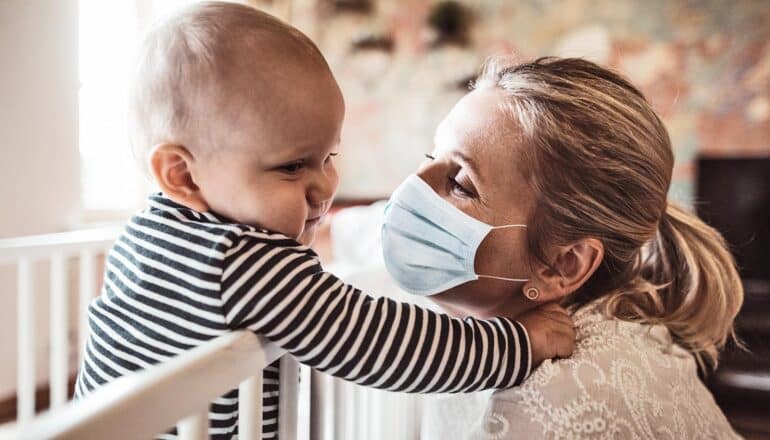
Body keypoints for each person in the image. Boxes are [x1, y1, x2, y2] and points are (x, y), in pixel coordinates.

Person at [73, 4, 576, 439]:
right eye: (292, 166)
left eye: (328, 156)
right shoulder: (241, 259)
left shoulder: (144, 237)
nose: (324, 187)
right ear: (182, 174)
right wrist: (519, 343)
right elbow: (381, 343)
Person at [377, 56, 744, 438]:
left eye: (461, 183)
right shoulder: (613, 323)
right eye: (430, 157)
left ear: (563, 265)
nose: (412, 187)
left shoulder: (548, 405)